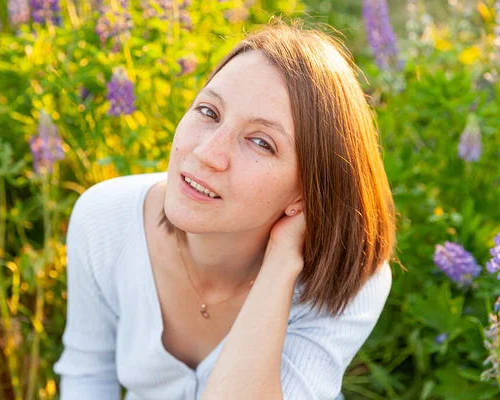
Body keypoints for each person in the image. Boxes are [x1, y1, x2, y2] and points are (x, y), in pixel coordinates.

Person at [53, 18, 396, 400]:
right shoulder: (104, 219)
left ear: (305, 191)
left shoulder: (348, 277)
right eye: (208, 112)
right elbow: (88, 374)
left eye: (261, 143)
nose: (207, 154)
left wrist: (281, 266)